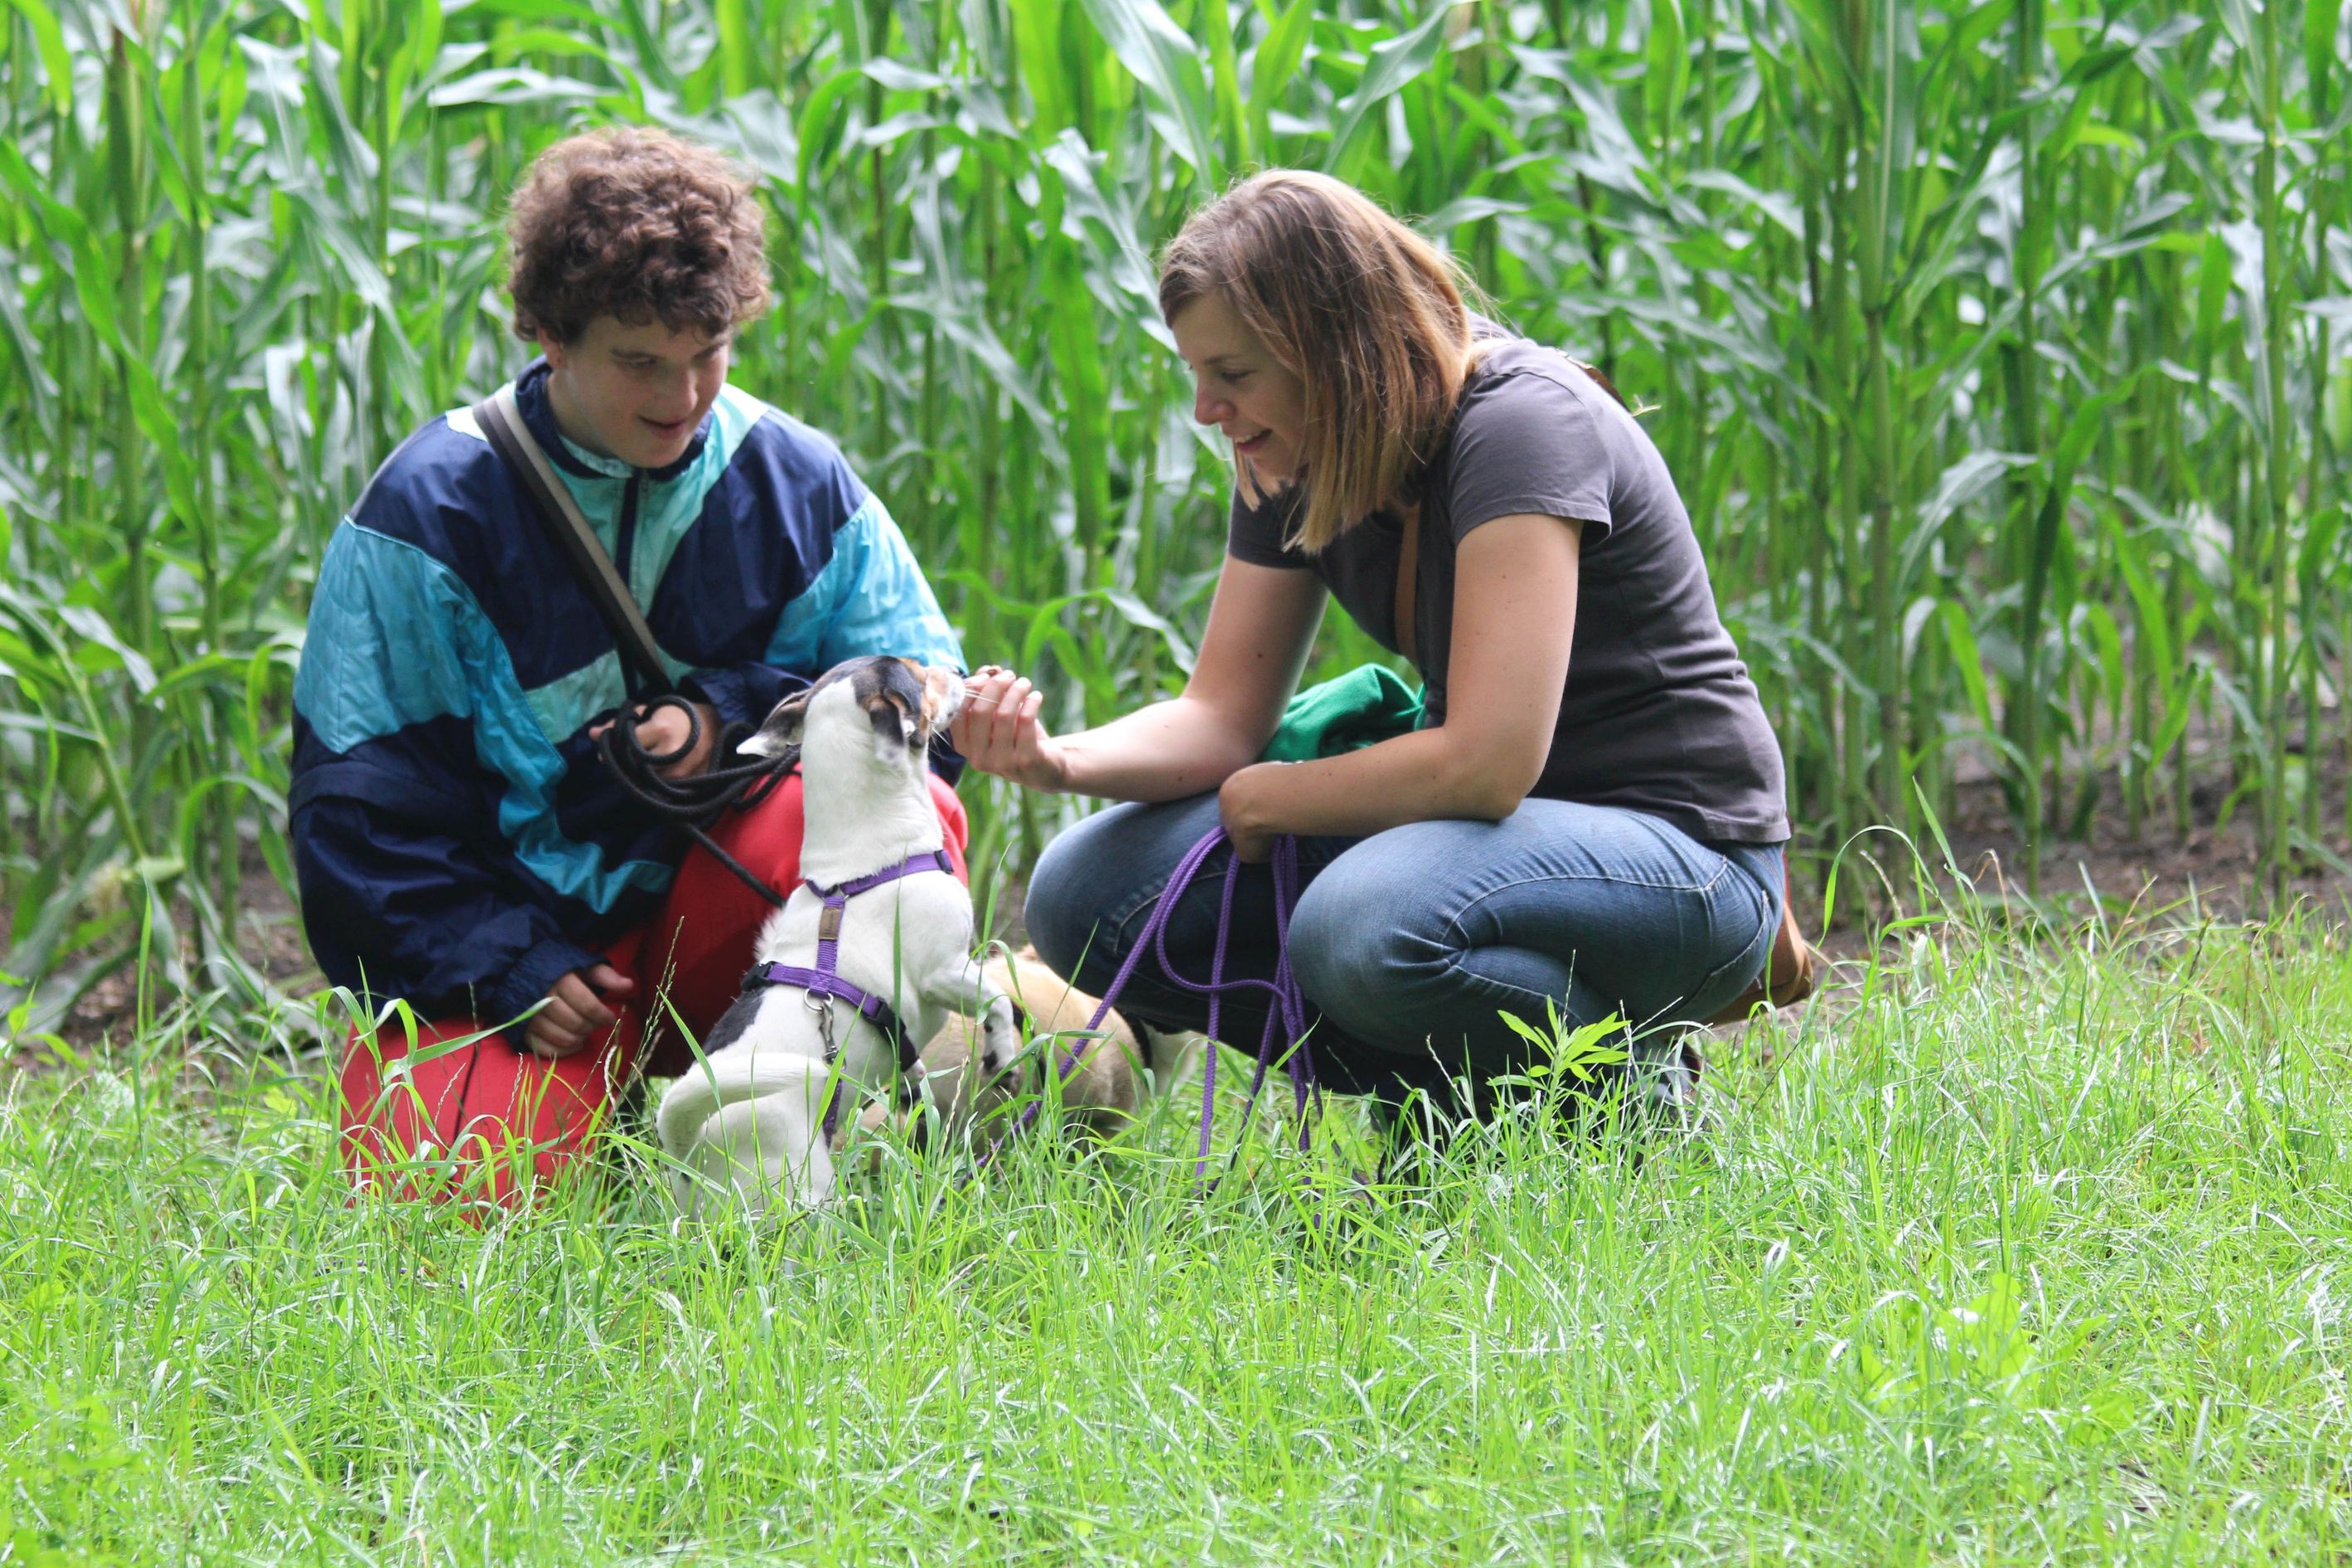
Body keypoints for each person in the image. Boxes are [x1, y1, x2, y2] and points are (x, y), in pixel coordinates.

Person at [952, 171, 1795, 1152]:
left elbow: (1485, 763)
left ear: (1332, 347)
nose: (1205, 410)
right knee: (1082, 895)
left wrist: (1269, 799)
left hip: (1682, 852)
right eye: (1196, 374)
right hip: (1490, 846)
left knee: (1359, 922)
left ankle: (1624, 1087)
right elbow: (1220, 716)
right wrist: (1056, 759)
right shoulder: (1291, 457)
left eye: (1233, 373)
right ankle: (1460, 1107)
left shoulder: (1522, 425)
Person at [292, 128, 967, 1203]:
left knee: (902, 791)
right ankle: (604, 1101)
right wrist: (505, 964)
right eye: (638, 359)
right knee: (448, 1192)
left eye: (708, 350)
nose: (683, 392)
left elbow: (919, 693)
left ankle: (798, 1100)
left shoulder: (794, 481)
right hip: (524, 959)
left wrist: (723, 717)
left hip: (732, 926)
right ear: (551, 338)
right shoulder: (424, 516)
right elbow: (356, 820)